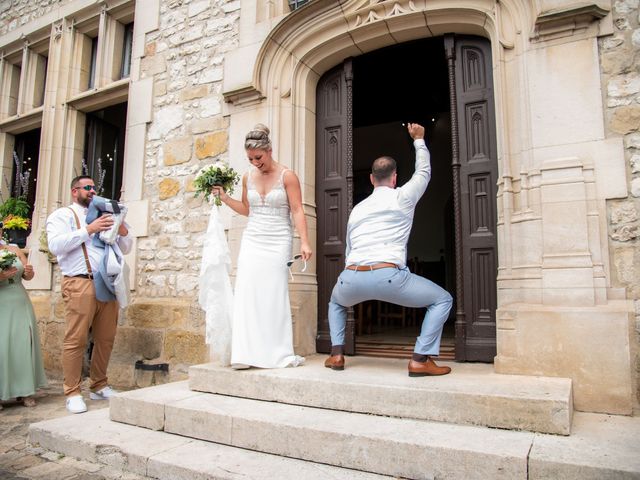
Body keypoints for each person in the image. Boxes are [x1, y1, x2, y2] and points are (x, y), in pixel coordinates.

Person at [324, 123, 453, 376]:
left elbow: (349, 246)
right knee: (442, 299)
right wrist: (419, 140)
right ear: (394, 178)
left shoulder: (357, 208)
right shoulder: (402, 197)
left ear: (372, 179)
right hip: (389, 276)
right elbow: (423, 172)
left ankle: (336, 355)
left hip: (351, 277)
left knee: (336, 303)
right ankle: (419, 359)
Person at [211, 124, 312, 368]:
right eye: (250, 158)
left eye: (259, 157)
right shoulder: (247, 177)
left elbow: (297, 209)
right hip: (253, 239)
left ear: (269, 150)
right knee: (247, 293)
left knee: (273, 294)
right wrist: (225, 198)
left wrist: (305, 241)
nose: (255, 162)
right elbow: (247, 209)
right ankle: (245, 354)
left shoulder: (288, 176)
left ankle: (275, 352)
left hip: (278, 239)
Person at [46, 176, 132, 414]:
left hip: (108, 282)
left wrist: (121, 228)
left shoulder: (106, 213)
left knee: (106, 338)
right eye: (88, 188)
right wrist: (89, 229)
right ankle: (72, 391)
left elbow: (126, 247)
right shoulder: (62, 216)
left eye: (95, 187)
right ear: (75, 191)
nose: (93, 191)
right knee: (76, 339)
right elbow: (55, 245)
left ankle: (99, 385)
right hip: (79, 283)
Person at [0, 222, 48, 409]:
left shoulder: (13, 249)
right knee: (3, 346)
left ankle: (25, 390)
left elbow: (28, 275)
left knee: (22, 343)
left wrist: (29, 272)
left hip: (19, 301)